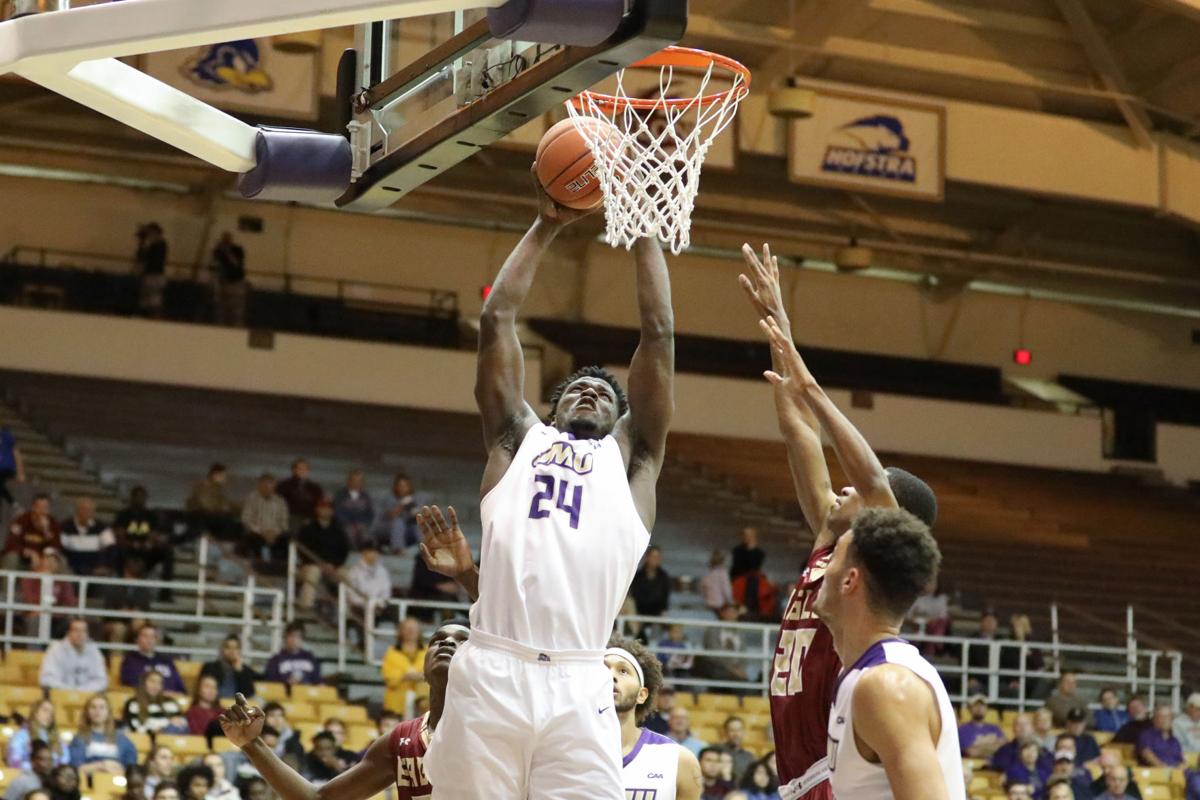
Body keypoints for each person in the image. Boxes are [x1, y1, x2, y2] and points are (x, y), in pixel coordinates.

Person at [413, 166, 674, 800]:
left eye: (606, 395)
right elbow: (497, 320)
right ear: (550, 409)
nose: (591, 389)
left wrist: (641, 229)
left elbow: (659, 334)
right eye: (576, 389)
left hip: (583, 678)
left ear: (623, 421)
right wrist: (546, 225)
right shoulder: (516, 440)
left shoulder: (633, 461)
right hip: (493, 666)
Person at [737, 244, 939, 800]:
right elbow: (798, 433)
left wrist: (809, 385)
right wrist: (778, 327)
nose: (842, 490)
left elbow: (871, 481)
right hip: (796, 772)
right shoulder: (831, 541)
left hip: (834, 767)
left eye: (858, 493)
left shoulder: (870, 556)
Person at [218, 619, 470, 800]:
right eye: (437, 640)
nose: (447, 642)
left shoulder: (499, 728)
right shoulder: (402, 739)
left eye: (462, 642)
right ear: (423, 670)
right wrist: (253, 745)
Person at [814, 507, 963, 800]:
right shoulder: (862, 673)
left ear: (850, 581)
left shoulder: (886, 686)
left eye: (831, 560)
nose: (821, 569)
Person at [606, 635, 701, 800]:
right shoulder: (561, 751)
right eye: (602, 669)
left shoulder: (679, 761)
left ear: (641, 695)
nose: (610, 676)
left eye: (623, 671)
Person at [113, 486, 174, 590]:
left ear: (145, 498)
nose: (139, 499)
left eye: (142, 497)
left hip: (146, 549)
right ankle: (121, 588)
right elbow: (119, 534)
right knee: (117, 551)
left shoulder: (151, 515)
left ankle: (166, 592)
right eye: (136, 496)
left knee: (167, 552)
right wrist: (132, 544)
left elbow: (154, 534)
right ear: (131, 498)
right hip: (127, 548)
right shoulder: (123, 514)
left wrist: (147, 544)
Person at [295, 499, 350, 610]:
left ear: (332, 511)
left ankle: (346, 610)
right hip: (309, 565)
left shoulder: (338, 530)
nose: (325, 511)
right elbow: (301, 551)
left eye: (328, 508)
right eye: (323, 508)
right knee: (313, 571)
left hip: (332, 567)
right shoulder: (307, 528)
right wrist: (318, 564)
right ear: (317, 509)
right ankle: (306, 606)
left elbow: (344, 551)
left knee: (348, 574)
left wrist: (333, 564)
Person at [67, 695, 138, 776]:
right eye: (93, 707)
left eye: (102, 707)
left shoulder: (122, 739)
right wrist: (101, 766)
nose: (97, 711)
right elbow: (76, 769)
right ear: (87, 712)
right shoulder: (79, 739)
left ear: (108, 712)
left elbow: (131, 769)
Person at [40, 618, 107, 692]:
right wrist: (69, 691)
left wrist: (81, 691)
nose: (80, 634)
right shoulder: (55, 649)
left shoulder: (94, 650)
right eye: (76, 630)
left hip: (88, 696)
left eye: (83, 631)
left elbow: (101, 681)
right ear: (68, 633)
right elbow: (47, 679)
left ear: (87, 634)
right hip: (60, 695)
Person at [693, 604, 748, 688]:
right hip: (717, 667)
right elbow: (713, 653)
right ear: (722, 613)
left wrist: (741, 668)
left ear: (737, 614)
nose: (730, 615)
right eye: (728, 612)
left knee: (745, 683)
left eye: (733, 612)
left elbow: (744, 654)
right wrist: (731, 668)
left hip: (735, 670)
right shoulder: (713, 630)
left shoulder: (742, 633)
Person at [59, 498, 117, 576]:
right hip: (71, 569)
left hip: (95, 569)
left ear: (93, 512)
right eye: (83, 509)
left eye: (89, 510)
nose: (85, 513)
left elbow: (111, 548)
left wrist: (105, 566)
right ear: (76, 511)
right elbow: (60, 548)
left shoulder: (101, 527)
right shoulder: (66, 526)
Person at [381, 617, 427, 716]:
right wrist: (406, 676)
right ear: (400, 631)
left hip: (423, 705)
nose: (411, 631)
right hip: (397, 704)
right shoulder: (391, 653)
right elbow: (389, 677)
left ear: (419, 631)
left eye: (414, 628)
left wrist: (422, 676)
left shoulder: (428, 651)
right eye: (407, 628)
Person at [3, 494, 63, 570]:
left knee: (60, 560)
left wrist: (46, 531)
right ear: (33, 507)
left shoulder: (53, 523)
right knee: (11, 557)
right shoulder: (21, 520)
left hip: (44, 559)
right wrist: (29, 552)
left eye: (45, 508)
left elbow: (57, 546)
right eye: (39, 507)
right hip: (23, 559)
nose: (42, 511)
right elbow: (10, 544)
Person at [120, 623, 185, 693]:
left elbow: (180, 687)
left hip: (170, 700)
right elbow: (130, 686)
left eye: (153, 637)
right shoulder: (130, 661)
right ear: (137, 639)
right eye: (145, 636)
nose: (149, 640)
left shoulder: (166, 661)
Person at [241, 474, 289, 563]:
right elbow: (246, 519)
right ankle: (264, 561)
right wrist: (262, 532)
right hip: (257, 533)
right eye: (265, 486)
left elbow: (284, 522)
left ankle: (284, 565)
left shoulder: (280, 501)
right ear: (259, 486)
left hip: (275, 533)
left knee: (287, 539)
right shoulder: (251, 499)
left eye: (271, 486)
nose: (268, 489)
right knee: (254, 539)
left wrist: (275, 532)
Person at [123, 670, 188, 734]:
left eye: (159, 683)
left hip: (170, 736)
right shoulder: (133, 703)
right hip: (146, 739)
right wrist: (157, 731)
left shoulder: (170, 702)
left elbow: (182, 723)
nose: (155, 686)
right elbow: (134, 728)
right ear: (143, 683)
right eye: (152, 681)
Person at [6, 700, 62, 770]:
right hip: (27, 776)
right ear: (35, 713)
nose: (49, 715)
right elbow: (14, 761)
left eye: (51, 713)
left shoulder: (56, 738)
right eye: (45, 710)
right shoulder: (21, 735)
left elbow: (64, 760)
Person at [187, 464, 238, 541]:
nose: (225, 478)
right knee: (228, 520)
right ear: (215, 475)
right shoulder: (206, 486)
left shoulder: (216, 487)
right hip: (200, 515)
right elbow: (207, 504)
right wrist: (224, 508)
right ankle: (219, 539)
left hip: (204, 514)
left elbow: (222, 502)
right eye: (223, 476)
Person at [373, 474, 421, 552]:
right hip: (386, 529)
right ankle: (397, 549)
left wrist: (414, 511)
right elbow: (389, 516)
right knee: (398, 521)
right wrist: (401, 505)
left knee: (419, 524)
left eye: (405, 486)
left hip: (407, 532)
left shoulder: (413, 499)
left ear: (409, 487)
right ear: (396, 487)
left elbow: (415, 517)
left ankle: (425, 548)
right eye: (400, 486)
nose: (403, 488)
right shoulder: (390, 498)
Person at [201, 635, 258, 699]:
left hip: (237, 706)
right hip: (215, 705)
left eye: (235, 648)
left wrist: (240, 672)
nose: (232, 651)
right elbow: (202, 691)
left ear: (239, 651)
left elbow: (249, 695)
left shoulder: (246, 671)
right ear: (222, 649)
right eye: (228, 647)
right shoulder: (209, 667)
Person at [344, 542, 391, 616]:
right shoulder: (354, 572)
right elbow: (352, 596)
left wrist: (378, 604)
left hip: (378, 608)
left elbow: (386, 593)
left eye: (376, 552)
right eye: (371, 552)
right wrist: (367, 604)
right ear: (364, 553)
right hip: (359, 608)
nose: (374, 555)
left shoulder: (383, 571)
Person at [275, 460, 323, 532]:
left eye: (305, 469)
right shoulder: (284, 485)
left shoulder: (315, 488)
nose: (303, 471)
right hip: (290, 517)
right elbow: (279, 504)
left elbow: (319, 504)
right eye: (300, 469)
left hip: (309, 517)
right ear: (293, 470)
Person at [211, 232, 247, 327]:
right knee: (221, 309)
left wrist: (227, 252)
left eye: (227, 239)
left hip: (236, 282)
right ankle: (221, 327)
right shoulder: (218, 251)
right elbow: (214, 265)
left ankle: (237, 328)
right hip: (222, 282)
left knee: (236, 309)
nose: (226, 241)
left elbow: (236, 263)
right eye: (224, 239)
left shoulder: (237, 250)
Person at [332, 471, 374, 550]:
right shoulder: (340, 495)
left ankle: (364, 553)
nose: (357, 482)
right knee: (349, 533)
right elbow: (337, 512)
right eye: (354, 480)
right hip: (345, 525)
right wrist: (350, 524)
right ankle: (353, 552)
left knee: (366, 535)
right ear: (349, 481)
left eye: (359, 480)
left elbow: (370, 514)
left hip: (361, 525)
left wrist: (363, 524)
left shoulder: (366, 496)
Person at [135, 222, 168, 317]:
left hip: (155, 275)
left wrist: (146, 243)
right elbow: (140, 257)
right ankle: (146, 317)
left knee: (154, 300)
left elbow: (154, 259)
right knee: (145, 300)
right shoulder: (151, 244)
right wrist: (142, 243)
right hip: (149, 274)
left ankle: (155, 317)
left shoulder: (161, 244)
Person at [960, 695, 1007, 759]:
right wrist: (993, 747)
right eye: (976, 705)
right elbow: (972, 752)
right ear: (969, 709)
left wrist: (979, 747)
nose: (979, 708)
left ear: (986, 708)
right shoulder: (963, 730)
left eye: (982, 705)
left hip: (994, 766)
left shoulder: (994, 728)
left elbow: (1005, 747)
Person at [630, 545, 671, 617]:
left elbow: (665, 599)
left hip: (658, 613)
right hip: (638, 612)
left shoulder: (664, 577)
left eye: (658, 557)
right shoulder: (637, 577)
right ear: (647, 558)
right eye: (653, 557)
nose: (655, 560)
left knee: (676, 625)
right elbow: (634, 596)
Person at [719, 717, 756, 786]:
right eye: (732, 730)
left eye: (739, 730)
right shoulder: (717, 752)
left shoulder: (749, 757)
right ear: (725, 733)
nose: (736, 734)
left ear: (744, 732)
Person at [699, 550, 735, 615]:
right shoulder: (723, 573)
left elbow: (702, 591)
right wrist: (730, 602)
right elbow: (726, 589)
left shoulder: (708, 574)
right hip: (720, 604)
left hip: (709, 604)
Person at [0, 423, 26, 512]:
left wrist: (21, 472)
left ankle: (14, 503)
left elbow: (17, 454)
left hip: (7, 468)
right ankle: (14, 504)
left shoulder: (6, 436)